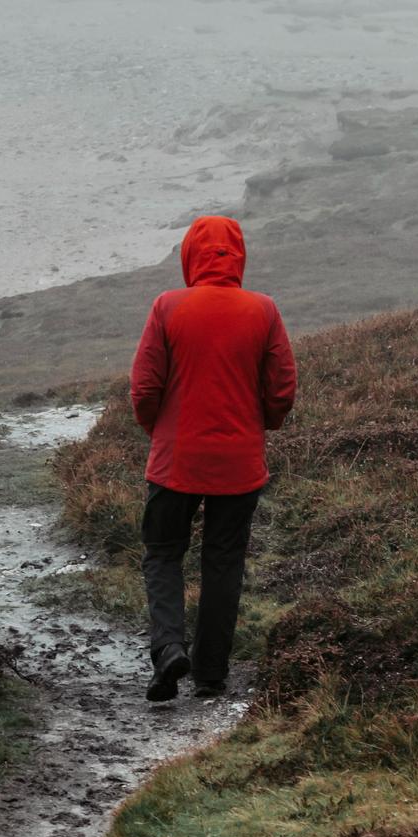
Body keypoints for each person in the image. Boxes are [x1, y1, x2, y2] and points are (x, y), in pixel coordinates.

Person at [129, 215, 297, 702]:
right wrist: (260, 424)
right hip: (239, 463)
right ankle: (211, 675)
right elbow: (282, 388)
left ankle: (168, 649)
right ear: (238, 256)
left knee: (163, 553)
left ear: (189, 256)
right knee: (223, 562)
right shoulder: (263, 310)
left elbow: (145, 387)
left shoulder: (167, 306)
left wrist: (156, 431)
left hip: (175, 459)